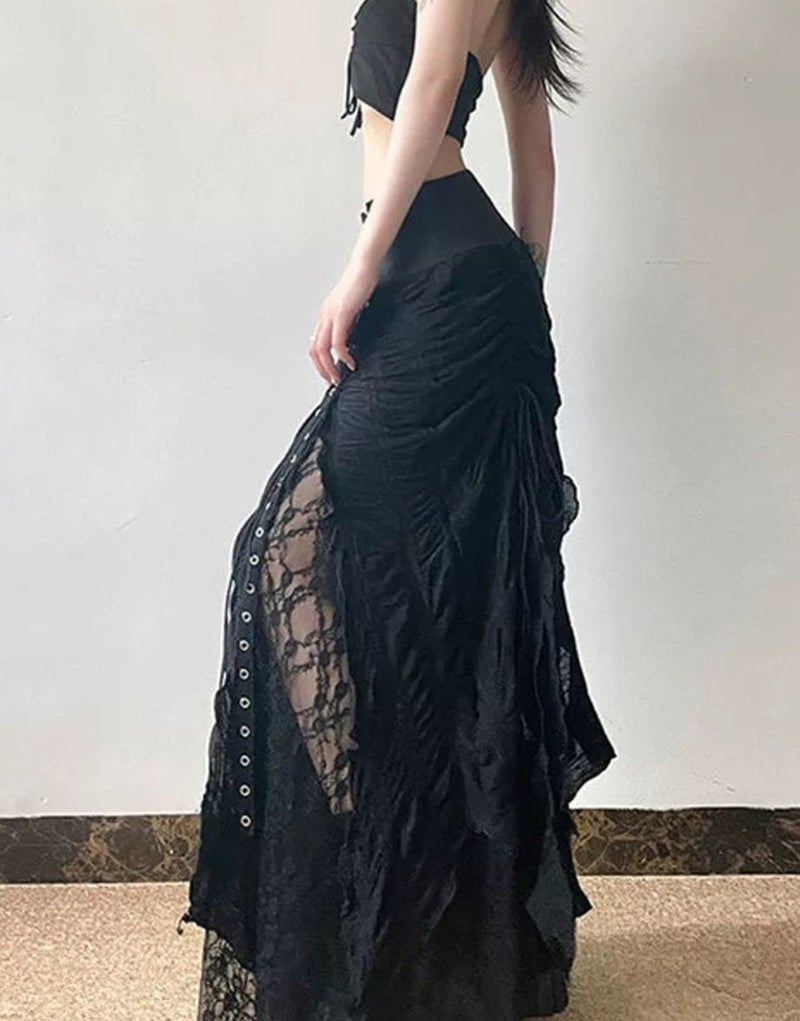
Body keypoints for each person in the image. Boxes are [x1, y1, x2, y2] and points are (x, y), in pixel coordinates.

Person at [176, 0, 617, 1017]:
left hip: (440, 280)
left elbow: (429, 85)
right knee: (421, 601)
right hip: (468, 284)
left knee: (313, 558)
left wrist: (362, 269)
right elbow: (536, 163)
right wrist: (522, 298)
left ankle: (400, 938)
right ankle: (414, 939)